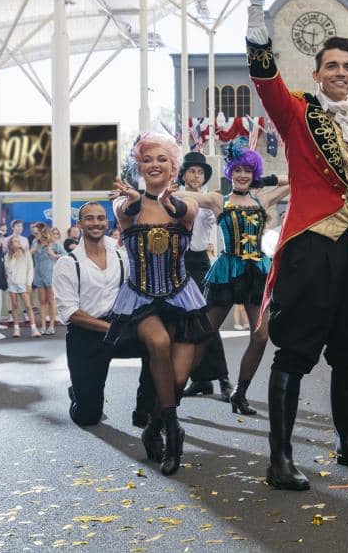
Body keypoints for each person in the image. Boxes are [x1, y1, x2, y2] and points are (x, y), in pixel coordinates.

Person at [244, 0, 348, 490]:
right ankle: (280, 459)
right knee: (296, 350)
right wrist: (255, 9)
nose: (340, 73)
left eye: (347, 67)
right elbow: (264, 79)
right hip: (311, 245)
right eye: (331, 65)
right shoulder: (299, 113)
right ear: (317, 72)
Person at [108, 132, 213, 475]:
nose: (154, 164)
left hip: (181, 293)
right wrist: (139, 197)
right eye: (147, 159)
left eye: (161, 159)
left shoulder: (187, 201)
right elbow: (129, 211)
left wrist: (168, 200)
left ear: (173, 167)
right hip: (140, 295)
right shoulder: (123, 203)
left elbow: (185, 211)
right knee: (158, 341)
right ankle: (174, 432)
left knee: (179, 377)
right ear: (138, 165)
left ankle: (157, 425)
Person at [178, 143, 290, 415]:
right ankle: (172, 391)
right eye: (237, 170)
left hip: (256, 272)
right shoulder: (219, 200)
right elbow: (180, 194)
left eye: (248, 170)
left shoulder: (262, 200)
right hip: (227, 271)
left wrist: (267, 179)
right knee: (204, 335)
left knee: (261, 335)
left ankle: (240, 392)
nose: (242, 175)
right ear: (230, 172)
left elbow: (297, 179)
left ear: (254, 173)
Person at [53, 202, 155, 428]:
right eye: (89, 218)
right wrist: (108, 328)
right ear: (79, 224)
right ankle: (78, 394)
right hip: (86, 333)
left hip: (120, 326)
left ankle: (144, 409)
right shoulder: (67, 264)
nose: (96, 223)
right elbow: (70, 313)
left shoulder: (121, 257)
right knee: (88, 417)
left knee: (157, 345)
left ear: (107, 223)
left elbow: (138, 288)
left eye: (100, 218)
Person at [174, 150, 234, 402]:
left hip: (199, 262)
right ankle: (200, 380)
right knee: (183, 321)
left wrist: (173, 193)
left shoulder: (212, 197)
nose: (196, 175)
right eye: (192, 171)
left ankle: (223, 378)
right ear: (184, 174)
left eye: (200, 172)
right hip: (175, 262)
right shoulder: (175, 195)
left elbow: (207, 200)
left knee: (206, 320)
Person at [31, 223, 64, 335]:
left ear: (42, 232)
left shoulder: (53, 243)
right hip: (38, 273)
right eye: (34, 232)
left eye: (36, 232)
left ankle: (51, 326)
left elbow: (66, 255)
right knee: (41, 301)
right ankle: (43, 326)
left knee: (51, 300)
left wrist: (54, 255)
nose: (35, 234)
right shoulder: (35, 242)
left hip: (50, 273)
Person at [5, 235, 37, 337]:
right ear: (11, 244)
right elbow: (8, 270)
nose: (18, 243)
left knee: (28, 306)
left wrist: (29, 283)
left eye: (19, 241)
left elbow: (30, 269)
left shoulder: (26, 253)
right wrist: (14, 258)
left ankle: (34, 329)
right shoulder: (8, 256)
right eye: (15, 241)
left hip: (23, 283)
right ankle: (16, 329)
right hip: (12, 284)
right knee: (14, 306)